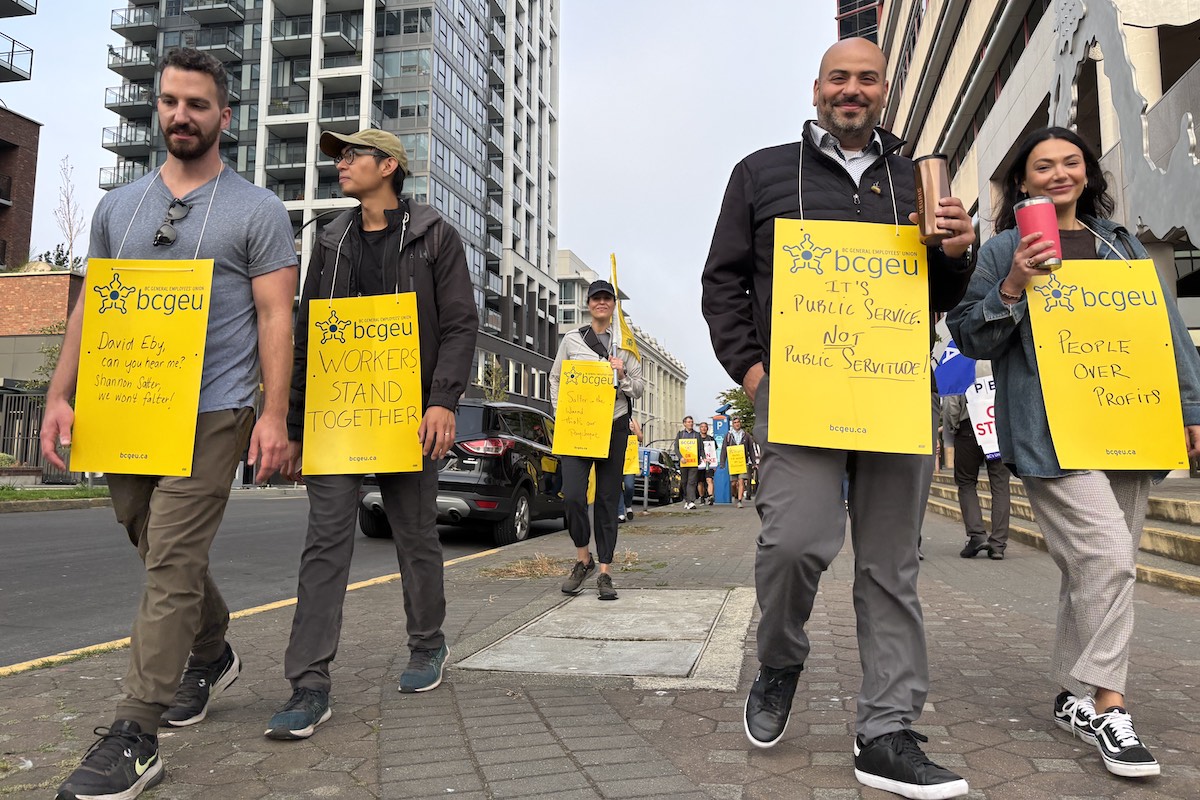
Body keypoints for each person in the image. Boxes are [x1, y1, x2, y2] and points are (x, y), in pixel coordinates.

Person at [702, 37, 976, 799]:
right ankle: (781, 658)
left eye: (866, 79)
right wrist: (753, 371)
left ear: (884, 91)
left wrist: (959, 247)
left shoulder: (918, 178)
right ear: (816, 87)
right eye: (838, 78)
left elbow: (944, 294)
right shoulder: (759, 173)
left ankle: (886, 731)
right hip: (800, 400)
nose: (851, 90)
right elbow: (722, 281)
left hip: (894, 399)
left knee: (892, 567)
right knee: (791, 544)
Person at [43, 49, 298, 800]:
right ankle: (212, 652)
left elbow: (277, 316)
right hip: (128, 405)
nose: (180, 116)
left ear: (226, 116)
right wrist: (62, 393)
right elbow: (90, 307)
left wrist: (273, 415)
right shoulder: (118, 208)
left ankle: (134, 733)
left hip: (216, 408)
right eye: (169, 103)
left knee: (170, 560)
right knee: (155, 544)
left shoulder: (257, 211)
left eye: (197, 104)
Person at [947, 126, 1200, 779]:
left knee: (1093, 570)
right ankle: (1111, 708)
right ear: (1024, 182)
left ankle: (1073, 695)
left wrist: (1192, 408)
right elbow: (970, 334)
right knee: (1111, 559)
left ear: (1086, 173)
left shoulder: (1121, 246)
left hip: (1130, 425)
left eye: (1070, 162)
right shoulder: (1004, 248)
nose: (1058, 173)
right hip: (1051, 433)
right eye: (1043, 166)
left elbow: (1166, 331)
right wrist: (1013, 288)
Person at [264, 128, 477, 740]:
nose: (341, 164)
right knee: (325, 542)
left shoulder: (435, 234)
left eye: (352, 155)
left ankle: (427, 643)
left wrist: (442, 404)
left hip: (409, 416)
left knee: (415, 536)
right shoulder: (328, 239)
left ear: (389, 166)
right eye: (338, 156)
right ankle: (308, 684)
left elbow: (461, 325)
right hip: (338, 417)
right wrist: (300, 429)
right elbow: (307, 335)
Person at [550, 280, 644, 600]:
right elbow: (556, 378)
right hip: (578, 427)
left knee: (606, 500)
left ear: (613, 305)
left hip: (614, 426)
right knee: (574, 496)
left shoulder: (627, 345)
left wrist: (622, 376)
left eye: (607, 298)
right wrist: (560, 413)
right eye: (596, 298)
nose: (601, 303)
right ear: (588, 304)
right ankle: (583, 559)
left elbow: (639, 389)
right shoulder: (572, 340)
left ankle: (604, 571)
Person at [940, 364, 1011, 560]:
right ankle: (998, 543)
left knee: (966, 482)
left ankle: (977, 535)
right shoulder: (1001, 355)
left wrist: (952, 427)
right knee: (1000, 484)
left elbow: (951, 402)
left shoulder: (960, 359)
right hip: (999, 426)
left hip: (968, 428)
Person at [719, 416, 758, 508]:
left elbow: (751, 450)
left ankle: (740, 501)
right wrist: (722, 462)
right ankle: (736, 495)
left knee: (741, 481)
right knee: (733, 483)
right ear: (732, 424)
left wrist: (753, 463)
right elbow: (724, 449)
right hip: (733, 462)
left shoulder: (746, 435)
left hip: (743, 462)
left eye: (738, 422)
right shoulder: (728, 435)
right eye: (735, 422)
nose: (737, 424)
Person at [617, 416, 644, 522]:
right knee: (617, 486)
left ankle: (628, 505)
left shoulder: (632, 420)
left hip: (629, 462)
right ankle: (620, 513)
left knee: (629, 486)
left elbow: (640, 438)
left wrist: (633, 431)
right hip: (617, 459)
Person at [674, 416, 702, 509]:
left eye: (692, 422)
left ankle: (691, 501)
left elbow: (701, 448)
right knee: (684, 482)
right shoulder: (680, 434)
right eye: (689, 422)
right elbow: (676, 448)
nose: (691, 423)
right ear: (684, 424)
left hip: (693, 463)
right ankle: (687, 499)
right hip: (683, 463)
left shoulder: (697, 435)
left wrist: (704, 457)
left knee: (692, 482)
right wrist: (680, 457)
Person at [696, 421, 717, 504]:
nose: (704, 428)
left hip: (709, 463)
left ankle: (710, 496)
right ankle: (702, 497)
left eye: (705, 427)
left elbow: (714, 452)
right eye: (702, 427)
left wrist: (714, 464)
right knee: (700, 481)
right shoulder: (696, 439)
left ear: (707, 428)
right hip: (699, 463)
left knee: (709, 480)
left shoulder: (711, 439)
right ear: (699, 428)